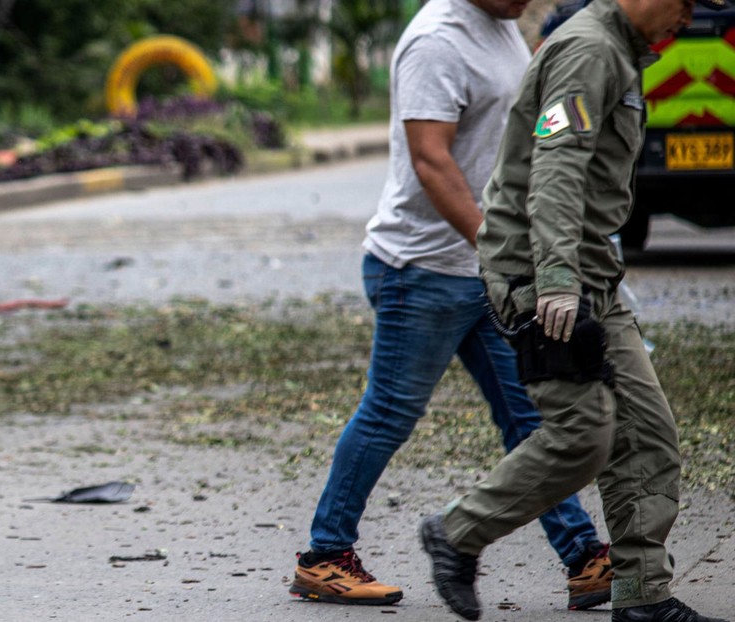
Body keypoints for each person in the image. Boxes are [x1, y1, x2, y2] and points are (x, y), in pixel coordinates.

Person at [288, 0, 613, 611]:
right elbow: (430, 160)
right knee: (389, 412)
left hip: (480, 272)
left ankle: (583, 557)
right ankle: (324, 556)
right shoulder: (436, 40)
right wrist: (505, 256)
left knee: (530, 419)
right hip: (423, 271)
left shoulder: (499, 28)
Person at [418, 0, 732, 620]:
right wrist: (558, 281)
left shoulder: (620, 50)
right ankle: (457, 532)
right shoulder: (589, 49)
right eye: (685, 3)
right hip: (543, 277)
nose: (688, 17)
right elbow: (556, 168)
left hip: (591, 278)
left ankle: (642, 597)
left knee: (647, 438)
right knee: (584, 436)